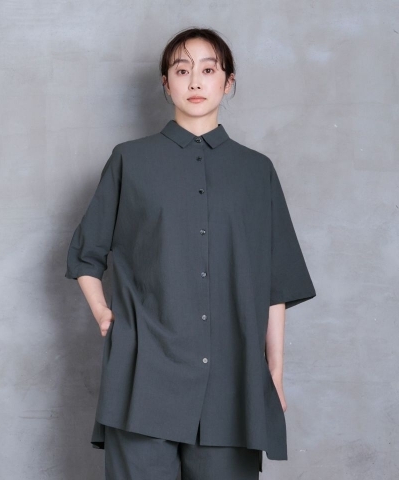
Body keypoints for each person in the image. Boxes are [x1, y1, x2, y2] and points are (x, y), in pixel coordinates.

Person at [65, 27, 316, 480]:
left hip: (232, 383)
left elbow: (275, 282)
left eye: (208, 70)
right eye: (182, 71)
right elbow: (87, 252)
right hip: (143, 374)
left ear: (228, 81)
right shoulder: (130, 161)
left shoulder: (256, 172)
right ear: (166, 83)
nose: (195, 81)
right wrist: (103, 312)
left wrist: (274, 375)